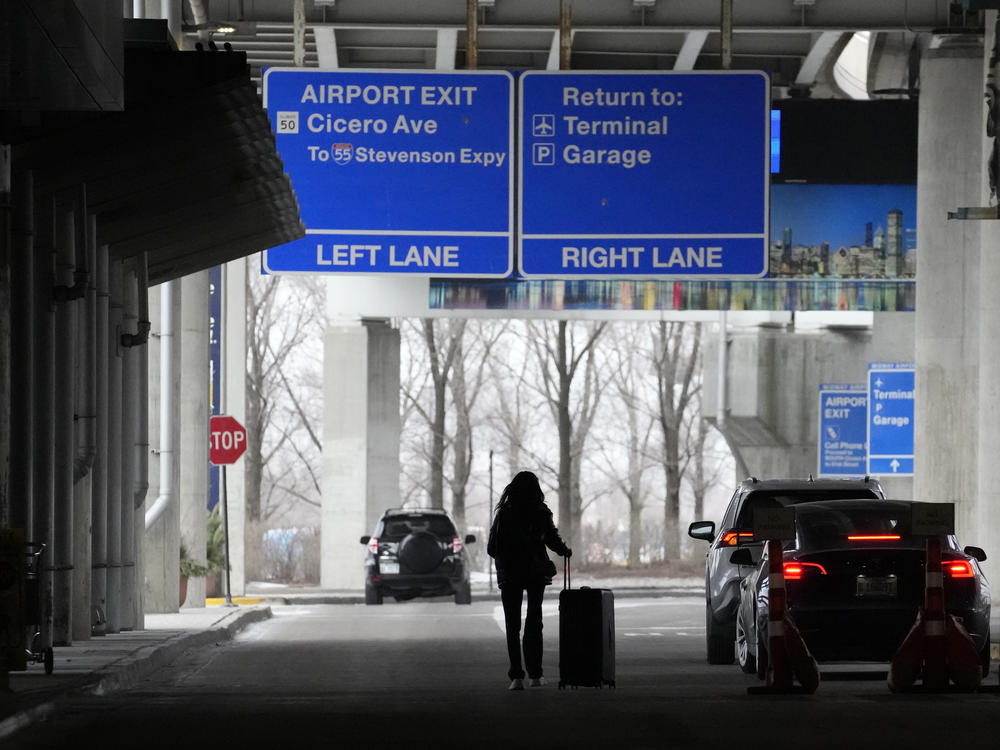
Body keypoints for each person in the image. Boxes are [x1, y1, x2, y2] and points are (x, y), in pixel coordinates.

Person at [487, 471, 572, 691]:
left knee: (512, 625)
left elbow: (491, 548)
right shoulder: (540, 512)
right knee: (534, 622)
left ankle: (516, 677)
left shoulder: (503, 514)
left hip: (510, 575)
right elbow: (552, 539)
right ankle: (536, 675)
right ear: (536, 489)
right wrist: (565, 551)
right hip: (535, 573)